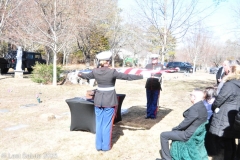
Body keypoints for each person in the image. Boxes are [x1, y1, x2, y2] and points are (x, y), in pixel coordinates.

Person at [78, 51, 143, 151]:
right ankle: (105, 147)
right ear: (107, 62)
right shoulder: (112, 72)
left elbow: (85, 75)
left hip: (98, 100)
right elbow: (127, 77)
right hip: (109, 101)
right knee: (107, 124)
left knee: (99, 123)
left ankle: (98, 146)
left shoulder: (95, 71)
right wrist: (141, 75)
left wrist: (80, 74)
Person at [159, 89, 207, 160]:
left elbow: (185, 123)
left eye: (191, 95)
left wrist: (175, 129)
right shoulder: (202, 106)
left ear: (194, 97)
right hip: (195, 132)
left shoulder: (195, 109)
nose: (190, 96)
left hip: (188, 134)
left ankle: (166, 158)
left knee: (163, 135)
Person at [209, 63, 240, 160]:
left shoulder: (230, 84)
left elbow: (219, 99)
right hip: (236, 115)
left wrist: (214, 106)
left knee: (226, 142)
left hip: (226, 116)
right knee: (231, 141)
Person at [145, 53, 163, 119]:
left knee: (154, 101)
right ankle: (148, 114)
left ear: (157, 59)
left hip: (156, 85)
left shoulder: (160, 66)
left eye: (155, 58)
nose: (154, 60)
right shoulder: (148, 66)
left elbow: (160, 74)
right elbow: (145, 73)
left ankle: (153, 115)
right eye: (152, 58)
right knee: (149, 100)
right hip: (148, 85)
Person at [203, 87, 220, 156]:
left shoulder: (217, 104)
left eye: (212, 98)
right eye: (208, 99)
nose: (210, 100)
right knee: (208, 138)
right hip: (206, 122)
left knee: (213, 138)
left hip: (214, 123)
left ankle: (214, 151)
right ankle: (210, 151)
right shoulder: (204, 104)